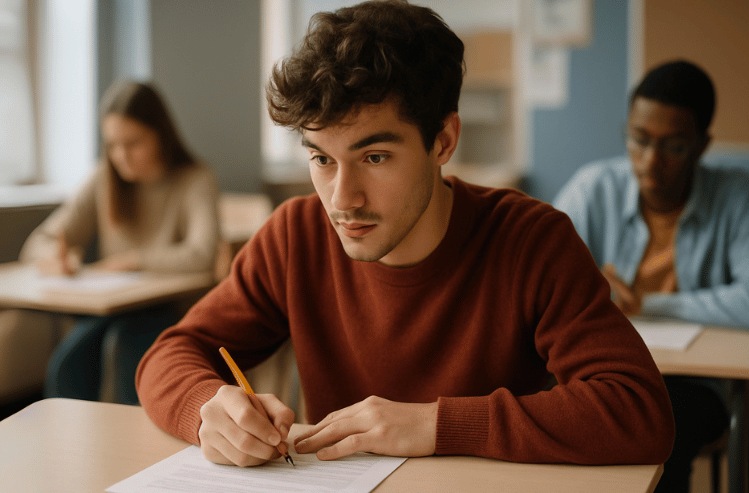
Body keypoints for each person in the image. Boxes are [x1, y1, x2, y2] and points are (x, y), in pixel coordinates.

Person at [137, 0, 674, 467]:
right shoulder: (295, 235)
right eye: (322, 159)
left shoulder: (531, 240)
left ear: (442, 141)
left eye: (374, 156)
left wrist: (437, 426)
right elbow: (171, 353)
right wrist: (208, 412)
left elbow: (637, 410)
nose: (342, 199)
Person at [553, 60, 749, 492]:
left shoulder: (742, 198)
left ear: (701, 145)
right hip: (602, 371)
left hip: (696, 385)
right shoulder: (592, 189)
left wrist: (647, 305)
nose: (649, 161)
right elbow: (539, 280)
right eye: (638, 140)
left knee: (663, 432)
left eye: (673, 147)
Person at [17, 80, 220, 405]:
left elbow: (202, 255)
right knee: (68, 365)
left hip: (170, 311)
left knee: (125, 346)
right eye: (112, 145)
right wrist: (58, 258)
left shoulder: (194, 179)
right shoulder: (104, 178)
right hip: (112, 309)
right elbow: (41, 240)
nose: (121, 156)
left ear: (160, 134)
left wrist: (136, 259)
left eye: (133, 143)